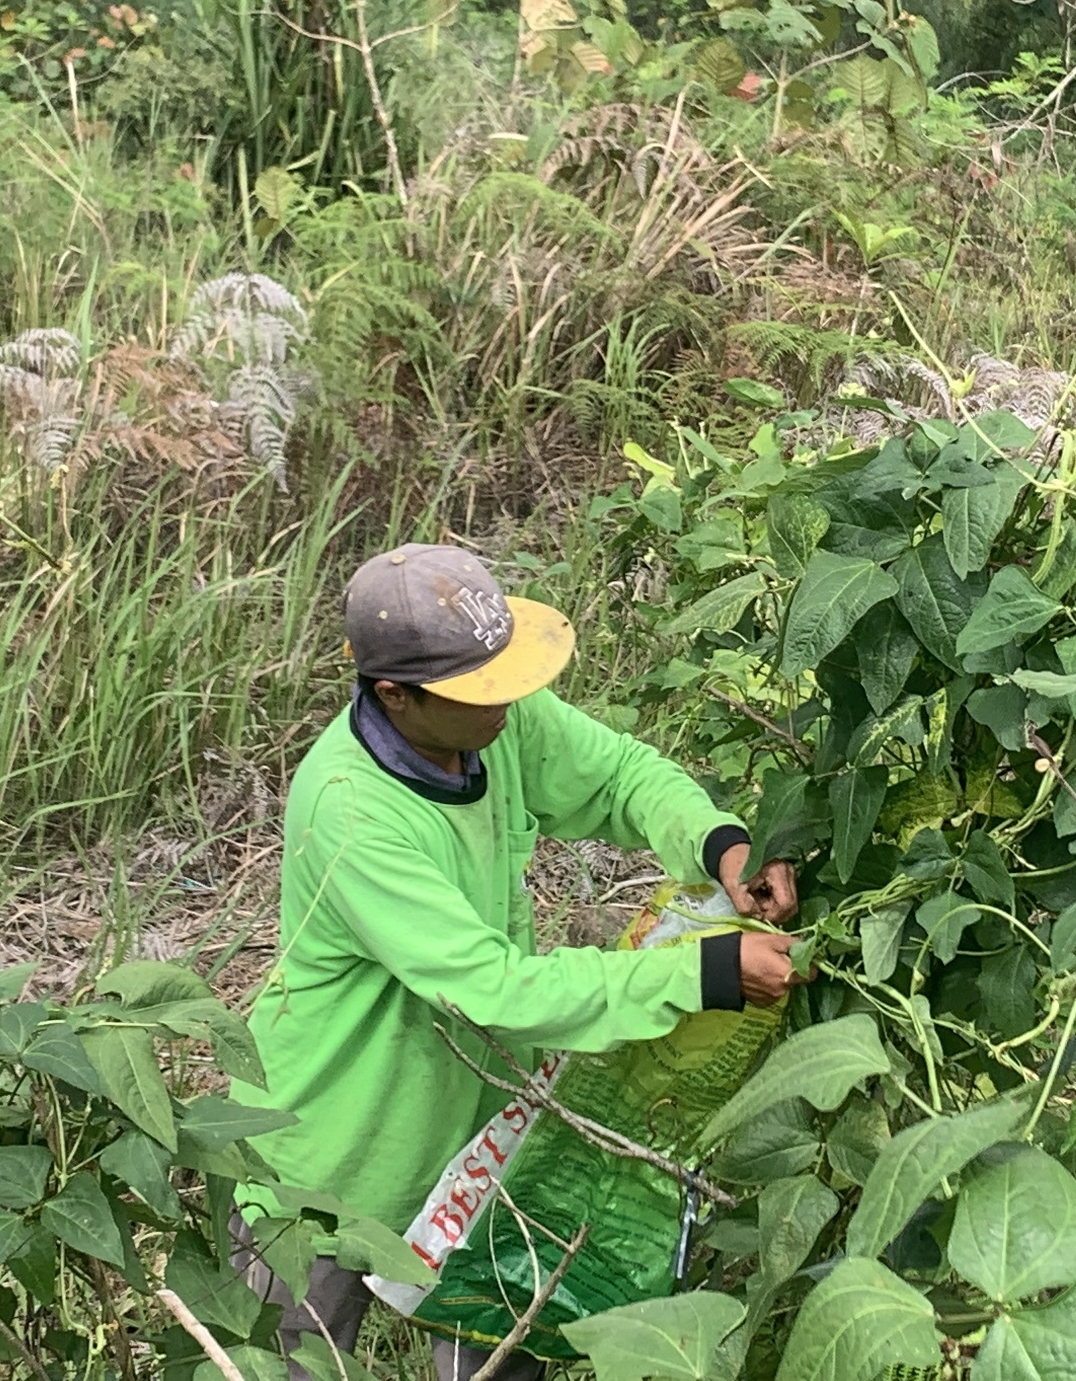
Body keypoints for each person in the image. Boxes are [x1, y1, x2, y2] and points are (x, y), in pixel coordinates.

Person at [229, 543, 803, 1381]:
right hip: (327, 1156)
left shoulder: (491, 718)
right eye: (483, 688)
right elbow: (490, 988)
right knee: (288, 1360)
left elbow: (619, 775)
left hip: (476, 1127)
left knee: (500, 1359)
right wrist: (707, 972)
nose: (514, 699)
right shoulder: (352, 812)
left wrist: (722, 847)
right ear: (394, 695)